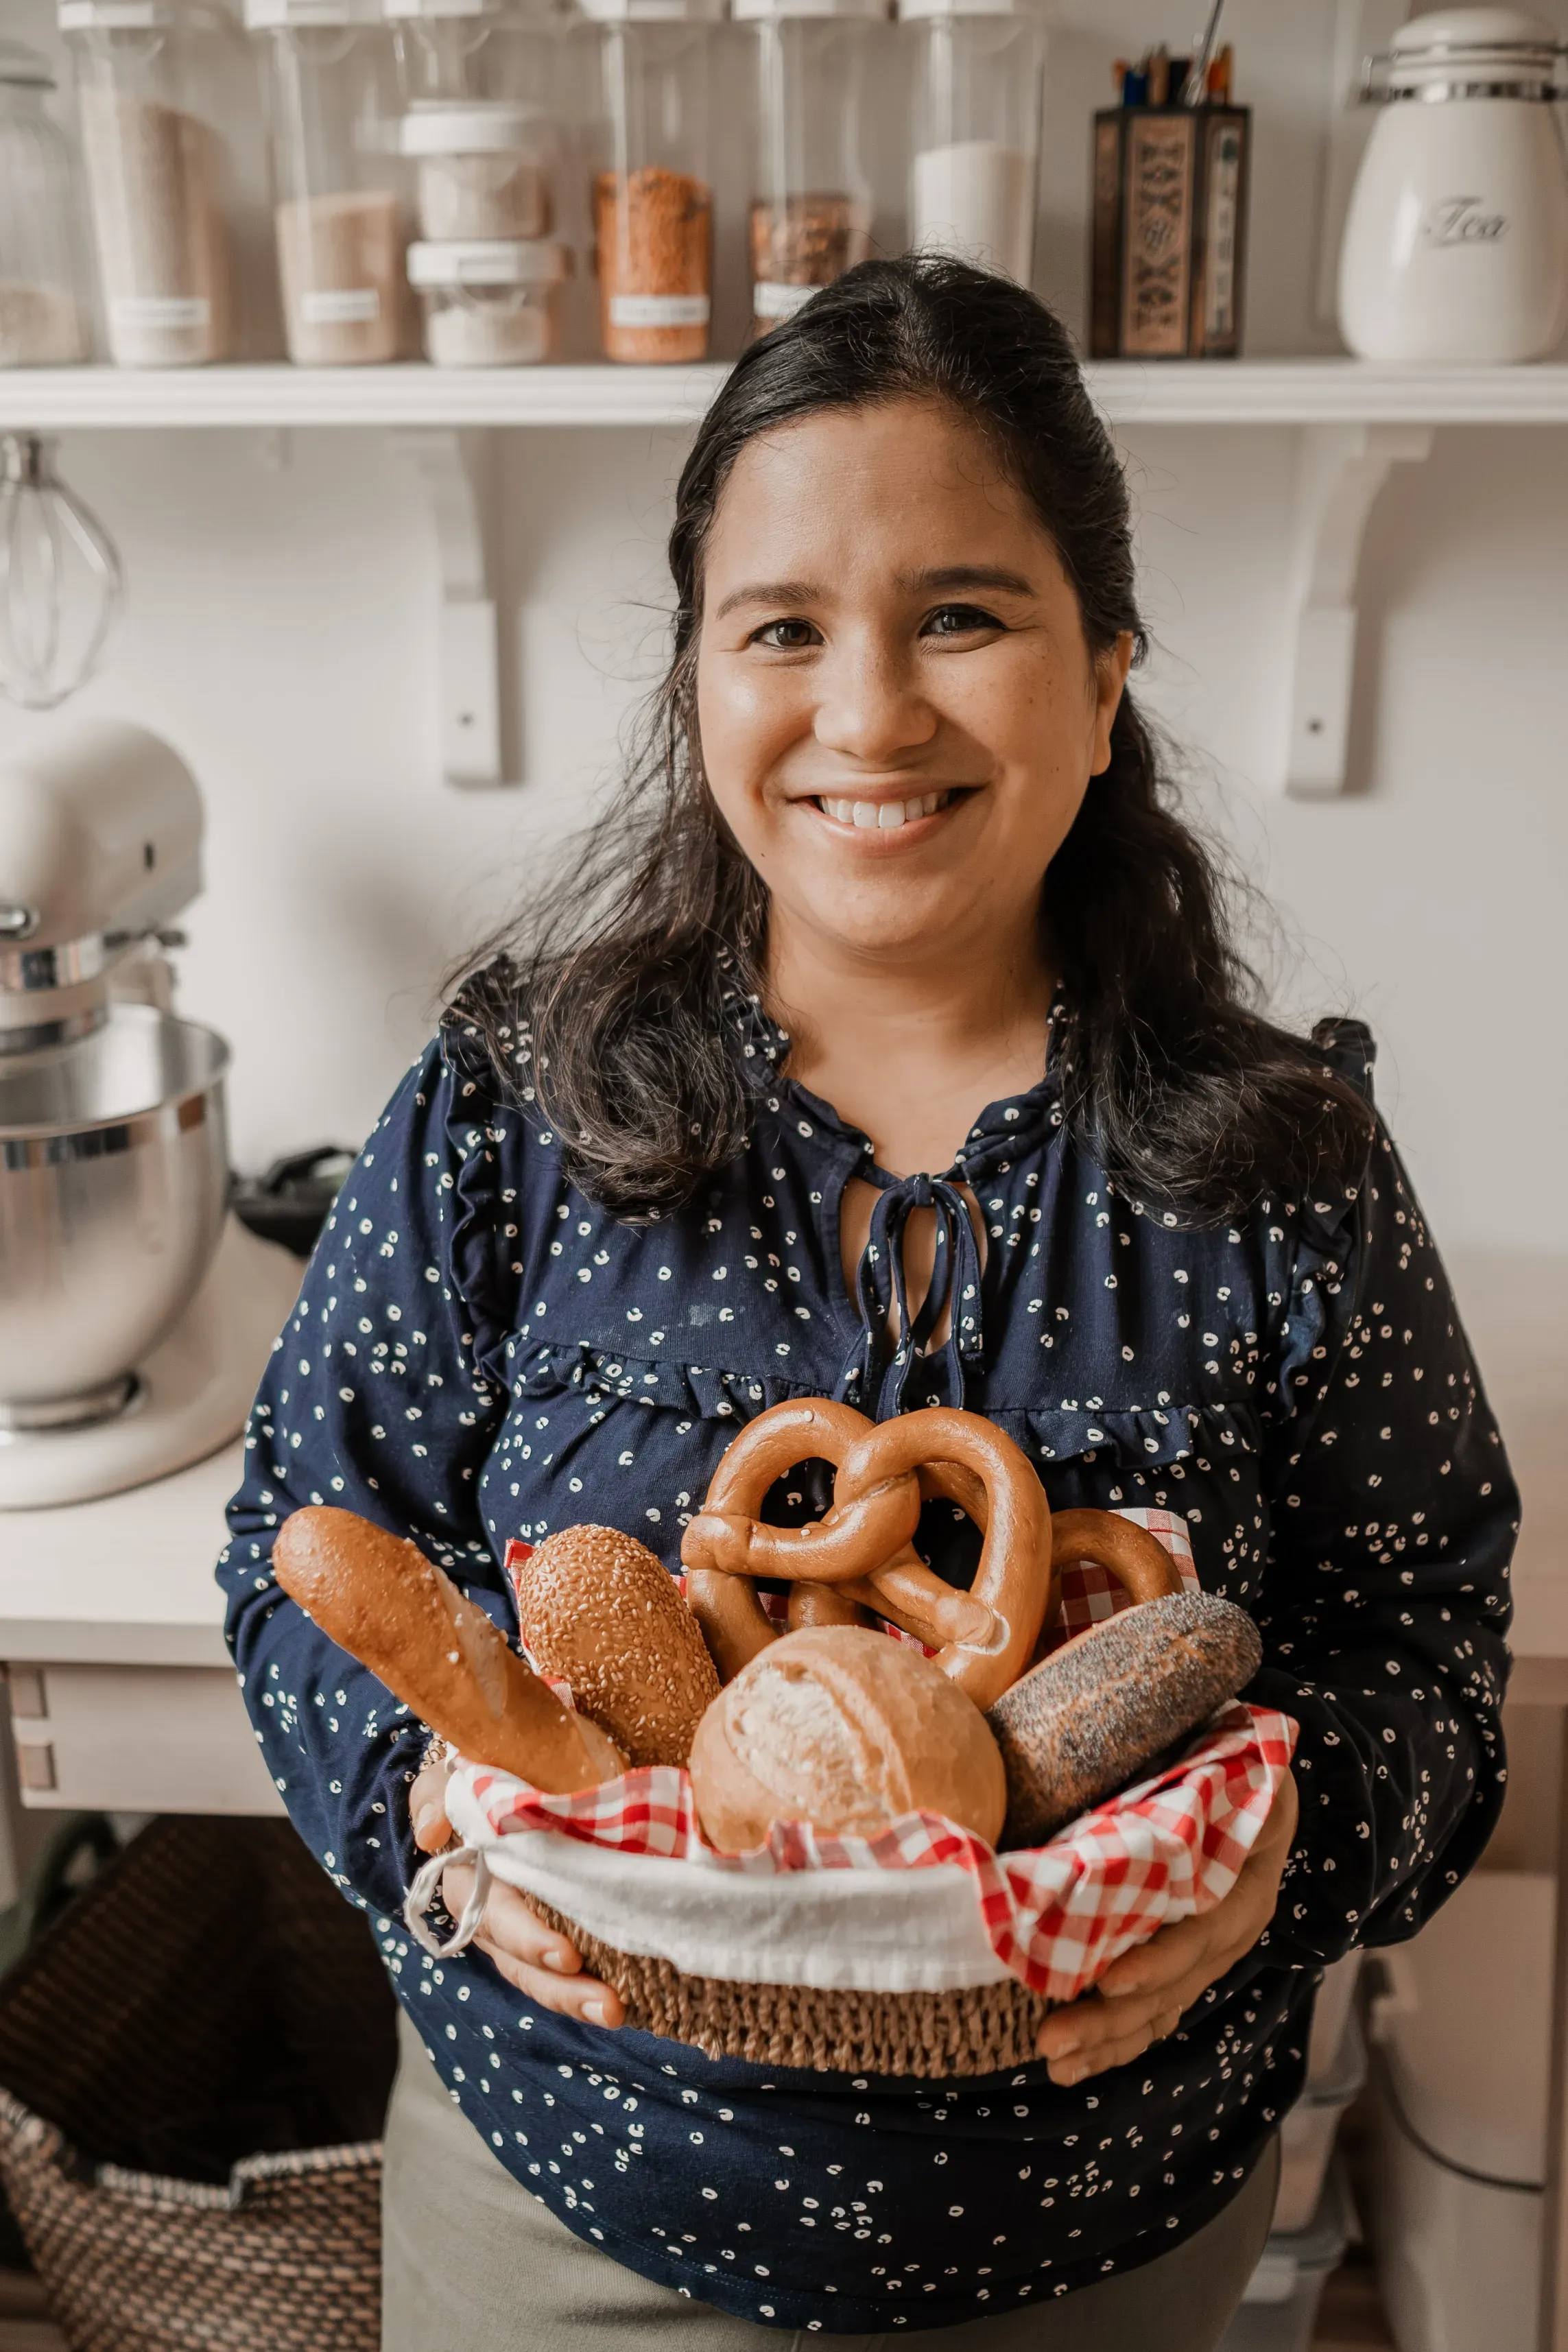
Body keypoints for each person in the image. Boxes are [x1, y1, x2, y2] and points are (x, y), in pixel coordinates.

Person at [220, 257, 1515, 2351]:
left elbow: (1429, 1645)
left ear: (1102, 677)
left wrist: (1285, 1872)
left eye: (962, 616)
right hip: (568, 2232)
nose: (867, 712)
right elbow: (294, 1557)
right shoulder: (511, 1103)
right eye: (783, 630)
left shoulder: (1281, 1158)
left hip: (1108, 2241)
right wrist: (436, 1808)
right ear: (698, 685)